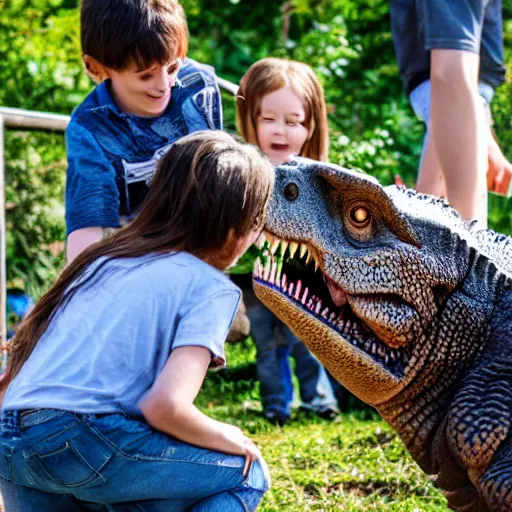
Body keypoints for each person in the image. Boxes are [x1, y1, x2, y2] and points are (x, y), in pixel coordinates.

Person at [0, 131, 274, 511]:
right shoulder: (212, 287)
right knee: (250, 474)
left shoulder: (103, 260)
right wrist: (229, 436)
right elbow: (164, 407)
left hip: (11, 439)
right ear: (240, 229)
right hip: (86, 439)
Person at [65, 0, 223, 263]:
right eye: (145, 75)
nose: (164, 85)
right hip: (136, 256)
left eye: (172, 68)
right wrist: (81, 288)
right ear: (97, 68)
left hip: (203, 247)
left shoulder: (198, 86)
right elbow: (88, 222)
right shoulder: (91, 129)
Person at [234, 57, 340, 425]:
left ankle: (320, 401)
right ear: (251, 120)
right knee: (268, 349)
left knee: (307, 344)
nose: (281, 131)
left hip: (303, 284)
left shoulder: (320, 182)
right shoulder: (240, 174)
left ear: (311, 127)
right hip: (256, 286)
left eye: (293, 121)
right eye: (268, 119)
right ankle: (278, 407)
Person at [389, 0, 512, 226]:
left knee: (434, 246)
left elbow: (450, 75)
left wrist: (467, 240)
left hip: (449, 96)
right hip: (457, 102)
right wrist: (483, 134)